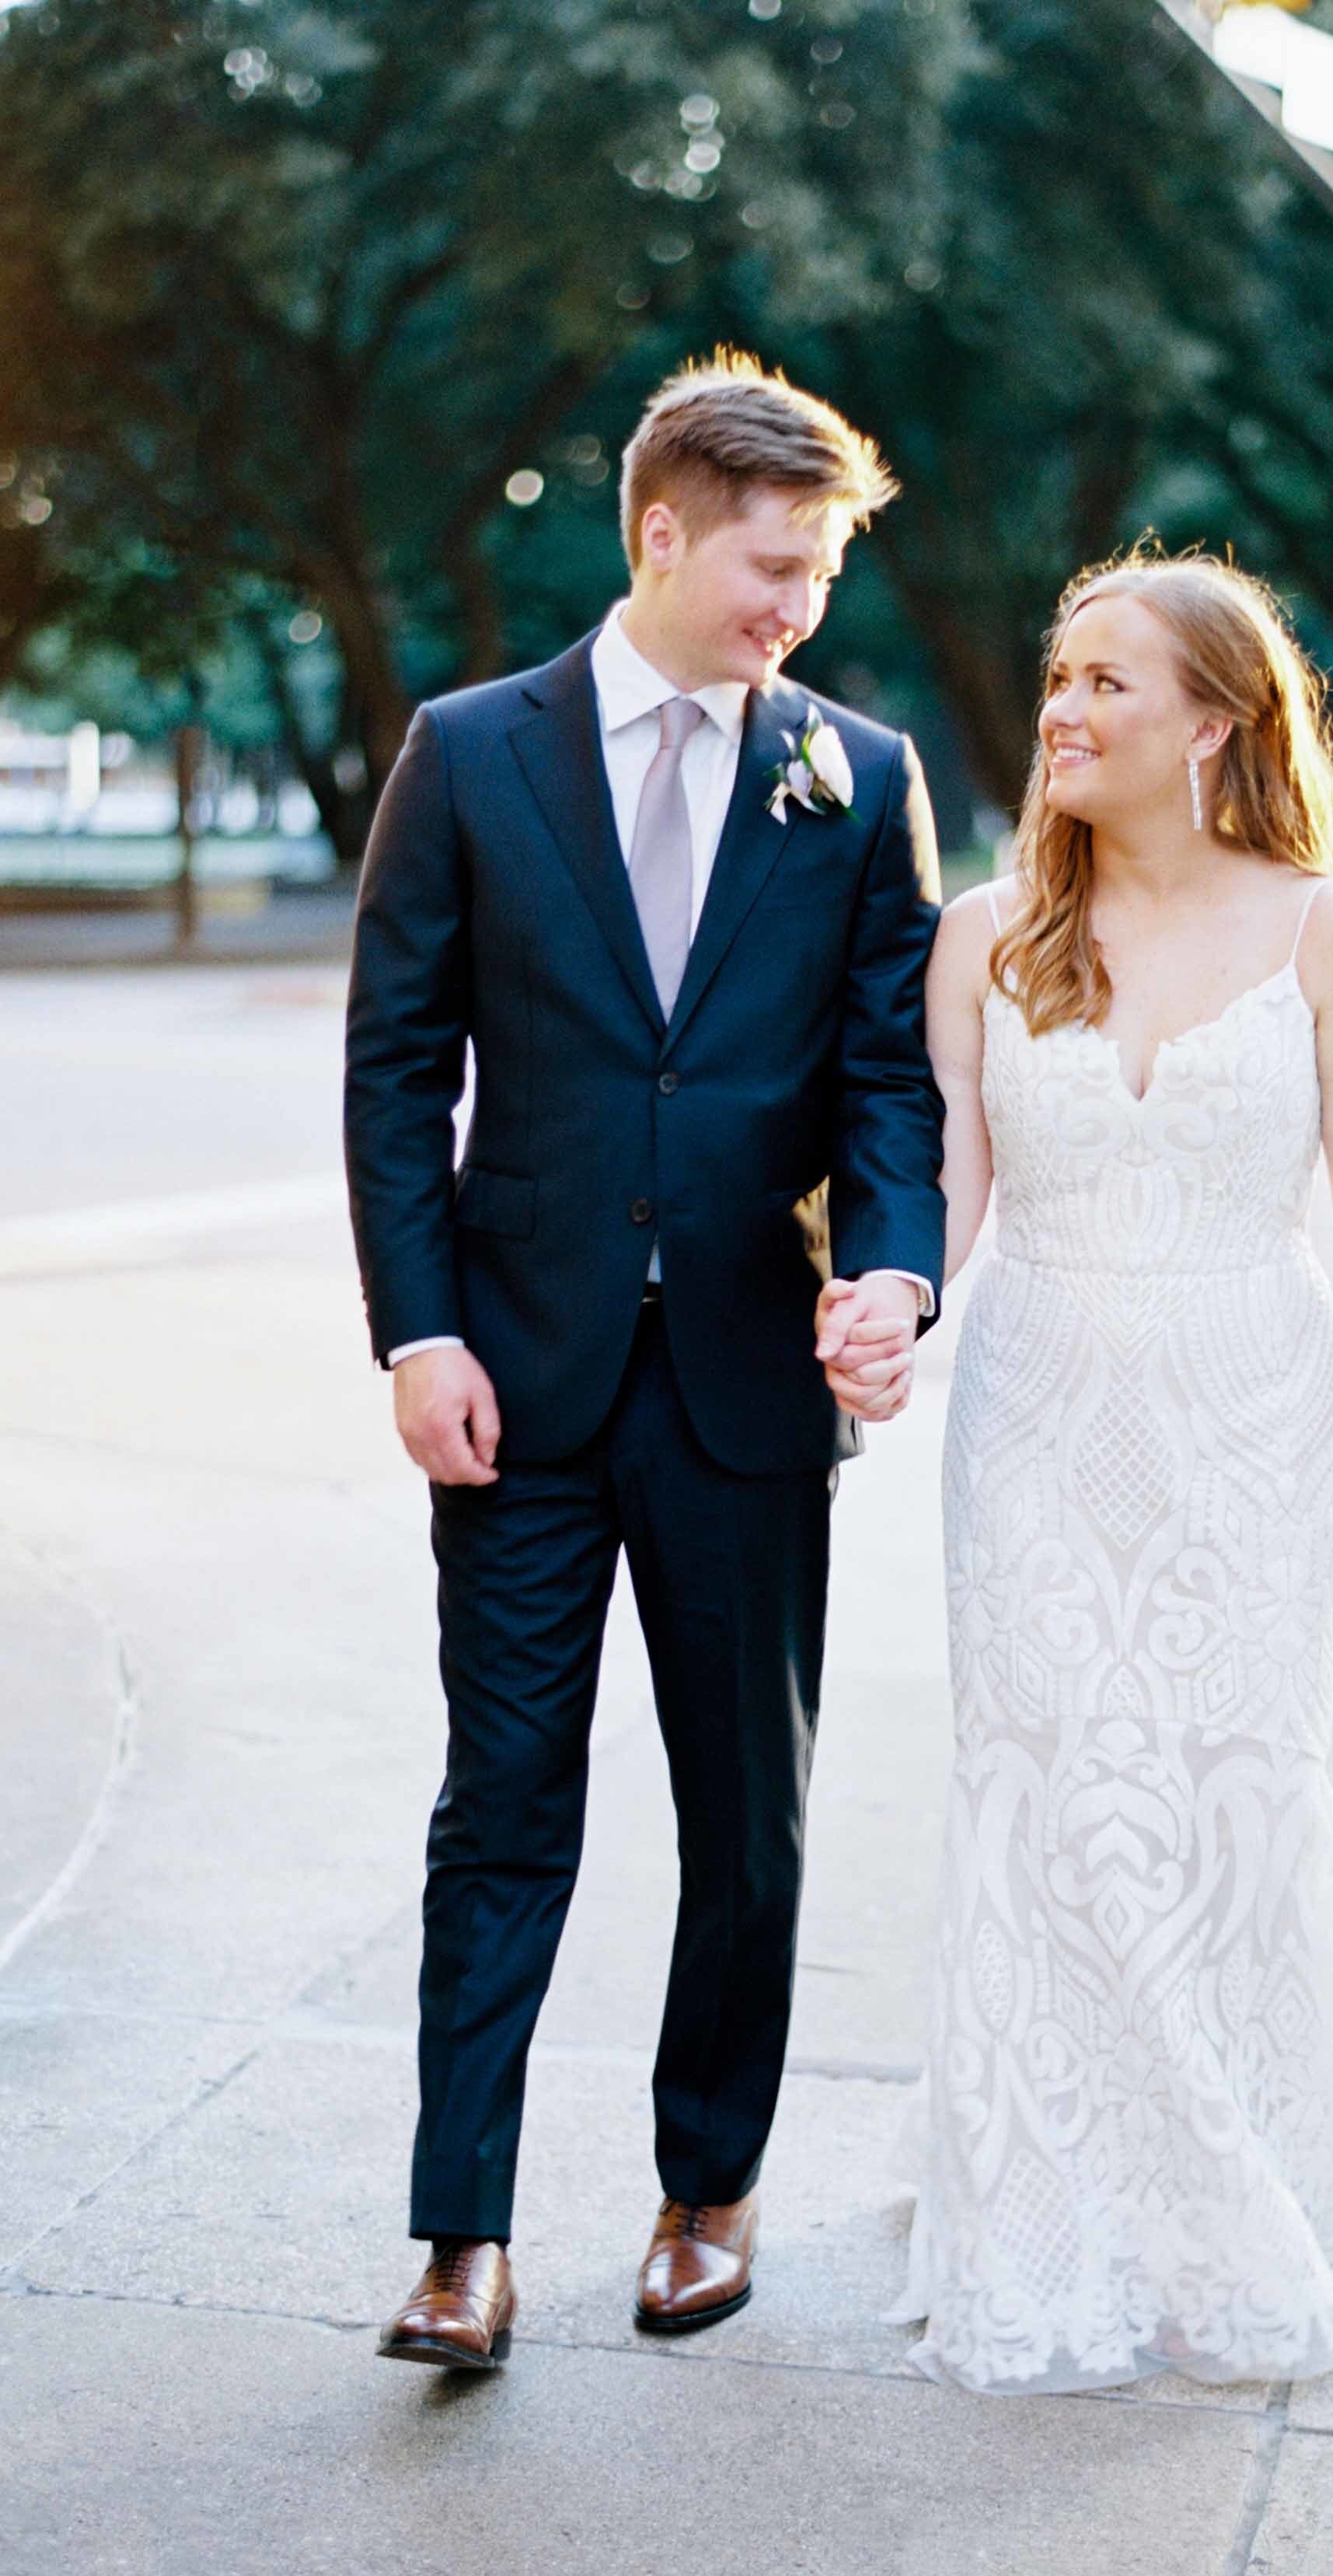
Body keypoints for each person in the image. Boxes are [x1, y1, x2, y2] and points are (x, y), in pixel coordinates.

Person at [345, 351, 940, 2370]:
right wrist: (416, 1325)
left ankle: (709, 2184)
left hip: (753, 1391)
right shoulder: (470, 751)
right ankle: (460, 2238)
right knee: (501, 1796)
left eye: (825, 576)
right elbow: (397, 1064)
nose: (799, 606)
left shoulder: (857, 778)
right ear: (662, 532)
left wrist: (897, 1275)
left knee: (745, 1813)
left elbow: (887, 1082)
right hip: (516, 1377)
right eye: (777, 565)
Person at [881, 551, 1333, 2393]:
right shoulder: (984, 931)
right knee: (1048, 1794)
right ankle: (1052, 2191)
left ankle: (1242, 2168)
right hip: (1038, 1411)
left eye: (1108, 684)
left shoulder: (1323, 938)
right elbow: (956, 1172)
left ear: (1214, 720)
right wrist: (897, 1300)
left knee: (1226, 1786)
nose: (1063, 709)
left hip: (1247, 1419)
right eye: (1059, 676)